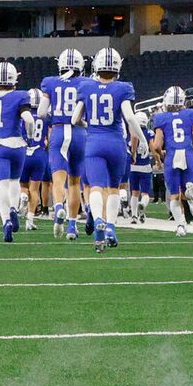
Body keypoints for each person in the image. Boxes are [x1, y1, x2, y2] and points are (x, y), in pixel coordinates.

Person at [69, 48, 140, 250]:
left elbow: (75, 119)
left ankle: (98, 217)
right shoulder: (123, 88)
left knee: (96, 187)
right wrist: (142, 139)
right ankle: (110, 227)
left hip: (94, 142)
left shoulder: (86, 86)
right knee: (114, 188)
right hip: (116, 143)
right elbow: (130, 118)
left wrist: (89, 125)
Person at [0, 60, 38, 243]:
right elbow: (29, 119)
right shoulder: (20, 95)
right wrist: (30, 136)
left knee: (1, 186)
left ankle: (6, 221)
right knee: (15, 181)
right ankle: (13, 208)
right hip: (17, 144)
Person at [37, 47, 89, 239]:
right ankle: (72, 226)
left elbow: (42, 113)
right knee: (75, 182)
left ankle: (58, 206)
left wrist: (56, 116)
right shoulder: (86, 82)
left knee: (58, 179)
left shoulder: (50, 82)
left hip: (59, 131)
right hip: (79, 133)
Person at [152, 86, 193, 235]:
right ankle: (190, 194)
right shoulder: (190, 114)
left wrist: (161, 154)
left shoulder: (161, 118)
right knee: (187, 187)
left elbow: (156, 145)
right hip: (187, 153)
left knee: (174, 194)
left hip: (172, 155)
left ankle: (181, 226)